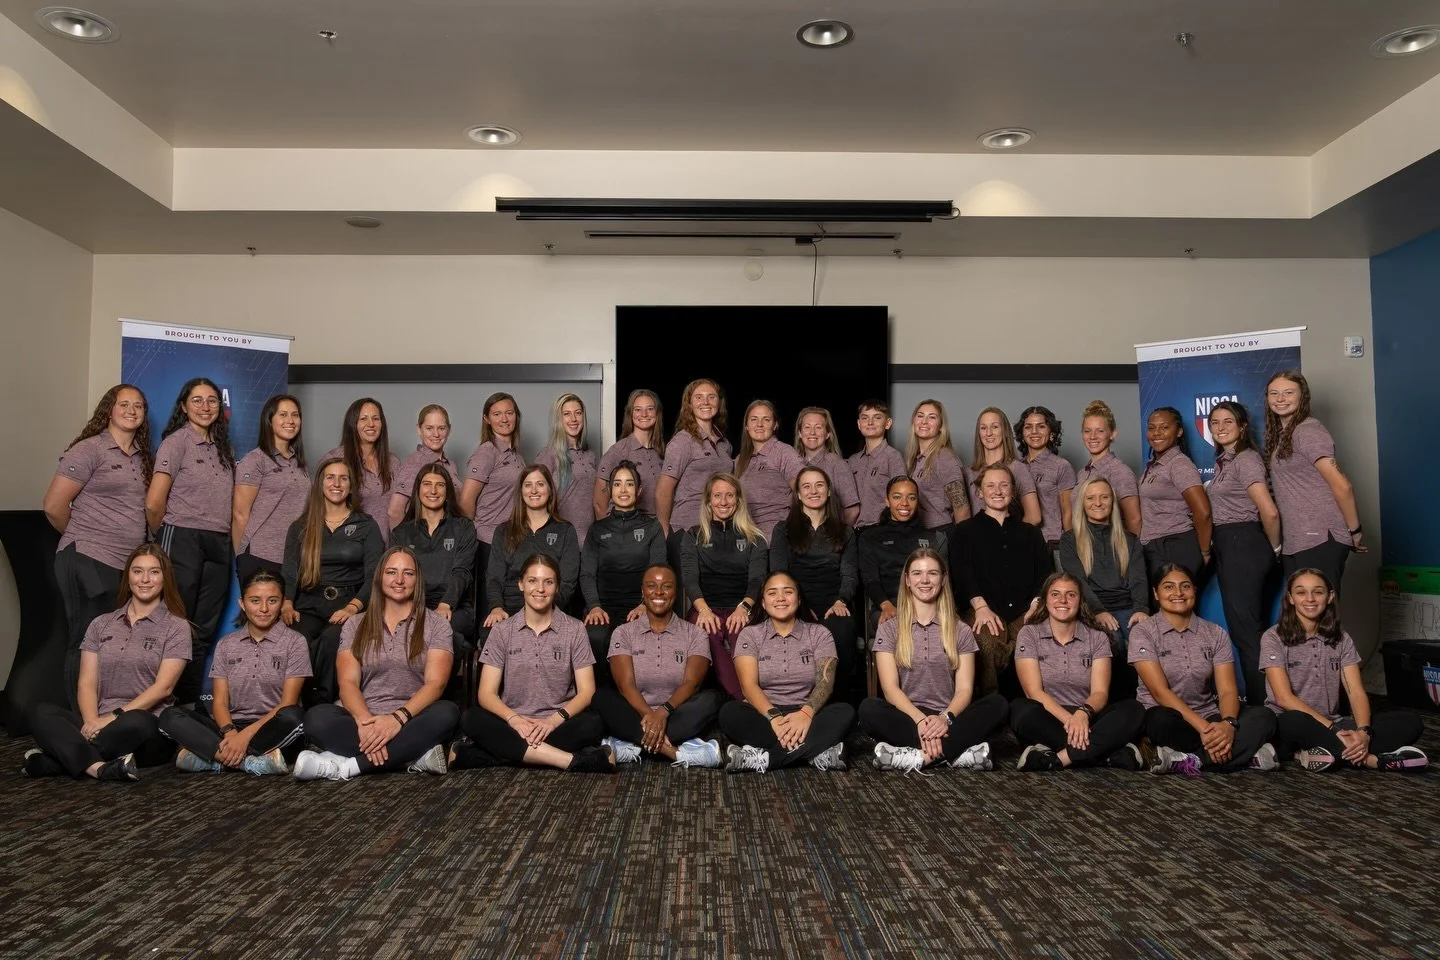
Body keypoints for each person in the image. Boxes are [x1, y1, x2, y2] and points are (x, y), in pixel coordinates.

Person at [22, 545, 188, 781]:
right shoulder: (101, 624)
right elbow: (87, 683)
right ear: (127, 577)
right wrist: (92, 721)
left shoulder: (176, 626)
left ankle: (58, 760)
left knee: (136, 720)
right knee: (41, 712)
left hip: (147, 729)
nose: (144, 579)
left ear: (165, 578)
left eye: (154, 572)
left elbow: (164, 688)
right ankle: (98, 768)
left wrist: (112, 718)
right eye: (137, 571)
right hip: (100, 722)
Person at [295, 547, 460, 780]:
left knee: (447, 713)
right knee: (315, 718)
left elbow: (435, 684)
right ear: (379, 577)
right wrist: (365, 724)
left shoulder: (437, 625)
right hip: (363, 719)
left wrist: (397, 719)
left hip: (412, 719)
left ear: (418, 579)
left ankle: (348, 766)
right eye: (391, 572)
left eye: (408, 573)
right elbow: (348, 683)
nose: (399, 580)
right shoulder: (355, 624)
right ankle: (412, 757)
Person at [452, 553, 615, 772]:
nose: (540, 589)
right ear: (521, 584)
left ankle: (494, 754)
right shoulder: (502, 631)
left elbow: (586, 692)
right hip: (512, 723)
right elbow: (486, 694)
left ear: (557, 587)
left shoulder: (575, 629)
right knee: (471, 718)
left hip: (559, 724)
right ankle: (570, 760)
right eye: (532, 581)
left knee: (594, 723)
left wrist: (552, 721)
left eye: (548, 582)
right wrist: (515, 720)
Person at [43, 384, 152, 707]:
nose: (131, 410)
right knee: (87, 641)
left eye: (138, 405)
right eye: (124, 404)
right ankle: (81, 721)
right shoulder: (89, 449)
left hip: (124, 565)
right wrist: (86, 536)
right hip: (88, 557)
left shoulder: (144, 458)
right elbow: (53, 506)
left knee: (114, 642)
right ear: (109, 410)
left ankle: (103, 715)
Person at [1262, 569, 1427, 772]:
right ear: (1290, 598)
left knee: (1410, 722)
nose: (1310, 599)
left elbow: (1355, 692)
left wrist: (1363, 732)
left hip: (1335, 723)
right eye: (1301, 592)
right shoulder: (1273, 638)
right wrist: (1333, 729)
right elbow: (1284, 698)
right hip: (1294, 724)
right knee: (1292, 721)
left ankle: (1321, 753)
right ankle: (1372, 760)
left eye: (1318, 592)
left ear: (1330, 597)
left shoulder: (1341, 639)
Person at [860, 549, 1008, 772]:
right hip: (908, 716)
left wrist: (944, 719)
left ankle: (918, 757)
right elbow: (890, 690)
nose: (925, 580)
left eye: (932, 573)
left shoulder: (961, 630)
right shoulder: (889, 629)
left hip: (949, 716)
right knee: (868, 709)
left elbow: (964, 690)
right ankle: (957, 754)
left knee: (998, 705)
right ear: (907, 580)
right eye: (917, 573)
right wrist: (921, 721)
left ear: (943, 579)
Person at [1130, 564, 1278, 774]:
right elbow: (1159, 692)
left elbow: (1227, 690)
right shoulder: (1143, 632)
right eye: (1168, 587)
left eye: (1185, 586)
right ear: (1155, 593)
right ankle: (1243, 755)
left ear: (1194, 590)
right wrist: (1205, 729)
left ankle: (1188, 760)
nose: (1178, 593)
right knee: (1158, 720)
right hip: (1169, 717)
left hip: (1209, 714)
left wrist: (1228, 725)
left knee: (1265, 716)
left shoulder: (1215, 633)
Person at [158, 569, 309, 776]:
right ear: (242, 604)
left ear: (283, 603)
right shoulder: (226, 644)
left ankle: (215, 760)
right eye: (255, 601)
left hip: (272, 727)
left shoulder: (295, 642)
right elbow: (220, 702)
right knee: (170, 716)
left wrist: (244, 737)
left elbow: (287, 703)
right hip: (231, 727)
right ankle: (248, 762)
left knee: (294, 716)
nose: (264, 608)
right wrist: (230, 733)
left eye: (272, 601)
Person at [147, 376, 235, 707]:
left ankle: (186, 705)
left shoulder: (225, 448)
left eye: (212, 400)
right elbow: (154, 503)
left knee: (202, 629)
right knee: (173, 624)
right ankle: (156, 705)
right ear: (184, 406)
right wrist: (162, 540)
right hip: (181, 536)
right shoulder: (176, 443)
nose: (205, 407)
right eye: (197, 400)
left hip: (218, 540)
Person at [718, 571, 855, 773]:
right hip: (765, 714)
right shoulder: (750, 634)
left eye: (788, 592)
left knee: (845, 712)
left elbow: (825, 684)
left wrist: (805, 715)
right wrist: (775, 718)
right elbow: (748, 686)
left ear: (798, 600)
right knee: (729, 713)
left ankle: (765, 759)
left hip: (808, 713)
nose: (780, 598)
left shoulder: (819, 633)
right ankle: (814, 752)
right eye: (772, 593)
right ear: (763, 602)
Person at [1010, 572, 1146, 771]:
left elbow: (1100, 693)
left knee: (1134, 710)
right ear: (1045, 600)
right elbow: (1034, 692)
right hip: (1049, 717)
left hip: (1088, 716)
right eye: (1055, 594)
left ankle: (1057, 758)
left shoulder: (1097, 637)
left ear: (1080, 600)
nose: (1063, 600)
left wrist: (1082, 714)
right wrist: (1070, 721)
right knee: (1020, 710)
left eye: (1071, 595)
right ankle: (1106, 755)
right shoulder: (1029, 633)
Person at [593, 565, 723, 767]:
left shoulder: (695, 634)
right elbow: (626, 685)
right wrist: (650, 715)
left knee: (711, 700)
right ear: (642, 591)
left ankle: (632, 743)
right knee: (602, 698)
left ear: (676, 592)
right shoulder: (623, 632)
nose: (659, 592)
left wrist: (662, 713)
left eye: (667, 586)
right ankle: (675, 752)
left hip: (676, 712)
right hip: (635, 712)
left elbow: (692, 683)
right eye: (651, 586)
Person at [281, 457, 384, 705]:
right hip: (308, 603)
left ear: (351, 486)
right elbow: (290, 570)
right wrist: (287, 602)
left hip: (350, 603)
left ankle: (321, 706)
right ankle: (295, 707)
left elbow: (375, 575)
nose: (336, 484)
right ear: (320, 483)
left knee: (332, 639)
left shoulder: (366, 525)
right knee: (298, 638)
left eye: (343, 478)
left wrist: (353, 607)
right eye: (330, 477)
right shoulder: (301, 526)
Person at [950, 465, 1051, 697]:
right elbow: (962, 574)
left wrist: (1036, 606)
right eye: (990, 486)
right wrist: (980, 607)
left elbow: (1045, 575)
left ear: (1012, 491)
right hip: (981, 609)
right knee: (986, 642)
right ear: (980, 492)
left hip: (1026, 610)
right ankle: (991, 705)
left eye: (1004, 485)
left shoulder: (1031, 533)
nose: (997, 491)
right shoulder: (964, 531)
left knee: (1033, 639)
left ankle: (1032, 705)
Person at [1206, 401, 1282, 705]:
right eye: (1215, 422)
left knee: (1247, 635)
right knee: (1249, 632)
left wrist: (1274, 549)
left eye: (1228, 421)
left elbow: (1269, 512)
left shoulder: (1246, 459)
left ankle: (1261, 705)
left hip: (1243, 542)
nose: (1221, 427)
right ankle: (1267, 701)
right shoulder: (1225, 461)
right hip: (1231, 544)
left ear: (1242, 426)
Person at [1264, 371, 1364, 598]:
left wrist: (1355, 530)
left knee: (1319, 610)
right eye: (1274, 393)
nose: (1280, 399)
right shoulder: (1284, 434)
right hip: (1297, 538)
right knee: (1299, 613)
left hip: (1320, 537)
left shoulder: (1308, 431)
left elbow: (1343, 486)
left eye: (1288, 393)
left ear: (1303, 397)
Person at [769, 466, 859, 703]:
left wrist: (841, 600)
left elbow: (849, 574)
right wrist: (798, 607)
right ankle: (796, 704)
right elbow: (779, 574)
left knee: (842, 629)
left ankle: (837, 706)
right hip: (794, 602)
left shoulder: (845, 532)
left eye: (819, 485)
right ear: (798, 494)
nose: (813, 491)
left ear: (828, 491)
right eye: (806, 486)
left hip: (834, 602)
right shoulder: (783, 530)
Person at [680, 472, 769, 699]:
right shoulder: (694, 535)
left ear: (738, 500)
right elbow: (690, 579)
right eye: (717, 495)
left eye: (729, 495)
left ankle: (748, 697)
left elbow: (757, 580)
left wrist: (744, 608)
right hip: (705, 607)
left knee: (743, 633)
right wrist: (704, 610)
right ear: (708, 501)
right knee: (706, 631)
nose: (723, 501)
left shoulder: (755, 538)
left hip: (742, 607)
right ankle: (743, 698)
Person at [1059, 478, 1149, 699]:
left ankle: (1146, 701)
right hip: (1091, 607)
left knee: (1144, 638)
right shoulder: (1070, 540)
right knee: (1113, 640)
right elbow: (1078, 581)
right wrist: (1098, 611)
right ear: (1082, 503)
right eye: (1091, 498)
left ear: (1112, 502)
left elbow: (1138, 579)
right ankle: (1119, 702)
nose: (1098, 503)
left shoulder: (1130, 540)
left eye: (1104, 497)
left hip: (1127, 606)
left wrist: (1141, 609)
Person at [581, 461, 666, 677]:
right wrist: (594, 607)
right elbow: (587, 574)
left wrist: (645, 606)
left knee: (638, 641)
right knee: (595, 637)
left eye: (629, 484)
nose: (623, 489)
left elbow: (658, 573)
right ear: (610, 490)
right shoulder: (597, 529)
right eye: (617, 484)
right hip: (603, 608)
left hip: (639, 607)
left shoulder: (652, 527)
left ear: (639, 490)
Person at [389, 463, 479, 651]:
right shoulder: (401, 533)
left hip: (454, 607)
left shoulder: (464, 527)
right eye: (427, 484)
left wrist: (446, 604)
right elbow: (393, 577)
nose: (433, 491)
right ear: (418, 490)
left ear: (448, 492)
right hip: (412, 605)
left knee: (440, 630)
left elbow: (462, 572)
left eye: (440, 485)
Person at [483, 464, 581, 629]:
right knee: (489, 632)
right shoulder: (503, 531)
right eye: (528, 485)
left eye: (540, 484)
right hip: (509, 609)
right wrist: (496, 607)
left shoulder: (565, 530)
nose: (534, 490)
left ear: (550, 490)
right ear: (521, 492)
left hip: (549, 608)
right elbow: (494, 578)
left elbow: (567, 582)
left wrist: (546, 610)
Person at [657, 378, 733, 571]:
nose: (705, 402)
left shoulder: (724, 444)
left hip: (717, 531)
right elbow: (663, 491)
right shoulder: (682, 442)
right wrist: (665, 532)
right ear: (689, 404)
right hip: (687, 530)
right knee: (688, 587)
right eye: (699, 397)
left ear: (719, 403)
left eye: (711, 397)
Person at [233, 393, 308, 586]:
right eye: (283, 414)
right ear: (269, 420)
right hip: (260, 555)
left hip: (293, 557)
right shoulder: (255, 460)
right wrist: (241, 557)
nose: (290, 420)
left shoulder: (299, 463)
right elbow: (240, 514)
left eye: (295, 415)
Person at [461, 392, 524, 611]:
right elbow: (466, 501)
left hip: (511, 540)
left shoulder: (516, 455)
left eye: (509, 413)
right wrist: (476, 535)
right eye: (497, 414)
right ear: (487, 419)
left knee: (508, 603)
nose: (504, 419)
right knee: (490, 606)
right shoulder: (486, 453)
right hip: (487, 542)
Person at [858, 476, 949, 626]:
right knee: (895, 625)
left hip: (928, 604)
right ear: (887, 501)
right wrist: (885, 605)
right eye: (897, 497)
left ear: (917, 501)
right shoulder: (870, 537)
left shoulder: (935, 538)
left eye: (911, 498)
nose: (904, 503)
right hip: (889, 606)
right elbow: (870, 580)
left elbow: (944, 582)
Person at [1139, 407, 1212, 592]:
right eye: (1152, 428)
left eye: (1164, 427)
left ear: (1179, 431)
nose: (1157, 433)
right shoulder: (1153, 466)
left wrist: (1204, 552)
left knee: (1176, 604)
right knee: (1161, 606)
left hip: (1176, 545)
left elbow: (1203, 512)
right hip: (1155, 546)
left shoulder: (1179, 464)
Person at [326, 397, 401, 544]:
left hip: (387, 549)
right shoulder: (335, 459)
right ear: (353, 423)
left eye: (376, 418)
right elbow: (321, 509)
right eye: (363, 419)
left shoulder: (393, 462)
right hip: (350, 547)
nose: (371, 424)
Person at [735, 399, 805, 540]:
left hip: (775, 537)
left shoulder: (784, 453)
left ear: (775, 425)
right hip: (746, 536)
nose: (759, 424)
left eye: (766, 419)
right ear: (746, 426)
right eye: (754, 419)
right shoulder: (740, 459)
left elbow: (804, 490)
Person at [387, 404, 461, 532]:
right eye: (429, 428)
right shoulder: (414, 465)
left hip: (449, 537)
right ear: (419, 429)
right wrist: (404, 542)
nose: (436, 434)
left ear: (449, 430)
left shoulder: (450, 465)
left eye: (441, 428)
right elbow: (394, 512)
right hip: (424, 540)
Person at [536, 392, 597, 547]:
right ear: (559, 419)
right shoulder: (548, 454)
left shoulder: (590, 455)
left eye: (578, 413)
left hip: (588, 541)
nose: (573, 419)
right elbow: (534, 499)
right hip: (559, 541)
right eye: (566, 414)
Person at [594, 388, 666, 520]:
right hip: (625, 526)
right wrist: (608, 530)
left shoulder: (663, 452)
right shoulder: (617, 451)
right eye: (637, 409)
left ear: (657, 413)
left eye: (650, 409)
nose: (644, 414)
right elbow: (599, 504)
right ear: (630, 414)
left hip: (656, 526)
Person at [964, 407, 1041, 526]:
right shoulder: (968, 472)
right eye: (983, 428)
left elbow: (1034, 516)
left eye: (995, 427)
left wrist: (1010, 534)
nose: (988, 433)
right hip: (976, 536)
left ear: (1004, 431)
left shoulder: (1018, 469)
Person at [1074, 400, 1140, 537]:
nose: (1092, 436)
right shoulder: (1082, 473)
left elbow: (1134, 520)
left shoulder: (1120, 472)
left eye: (1100, 431)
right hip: (1083, 544)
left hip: (1111, 546)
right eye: (1087, 431)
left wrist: (1131, 549)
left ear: (1112, 434)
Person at [1017, 405, 1077, 550]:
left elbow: (1068, 513)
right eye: (1028, 427)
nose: (1034, 431)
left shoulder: (1061, 466)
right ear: (1022, 435)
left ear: (1052, 434)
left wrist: (1070, 548)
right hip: (1020, 541)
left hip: (1050, 542)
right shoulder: (1015, 467)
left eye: (1041, 426)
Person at [905, 399, 969, 532]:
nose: (924, 421)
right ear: (914, 421)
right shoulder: (915, 460)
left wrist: (961, 541)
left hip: (940, 533)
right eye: (920, 416)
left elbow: (962, 508)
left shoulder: (944, 457)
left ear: (940, 426)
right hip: (918, 534)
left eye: (932, 417)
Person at [795, 406, 861, 526]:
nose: (812, 432)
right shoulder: (793, 465)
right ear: (800, 433)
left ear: (828, 434)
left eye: (818, 427)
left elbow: (853, 510)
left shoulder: (837, 465)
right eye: (807, 427)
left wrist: (836, 533)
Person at [848, 399, 906, 529]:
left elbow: (901, 497)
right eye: (865, 418)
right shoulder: (852, 461)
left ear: (888, 423)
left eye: (877, 417)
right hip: (853, 530)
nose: (870, 422)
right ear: (859, 424)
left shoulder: (893, 457)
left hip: (881, 529)